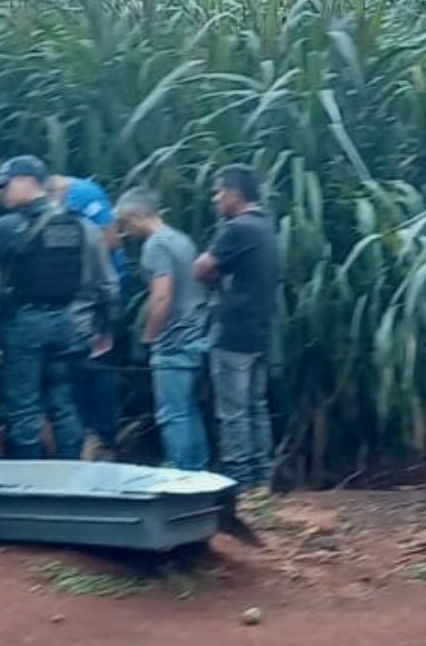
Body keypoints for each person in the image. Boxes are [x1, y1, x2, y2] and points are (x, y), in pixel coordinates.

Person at [0, 156, 118, 460]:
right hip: (66, 324)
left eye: (5, 185)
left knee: (25, 406)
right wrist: (103, 328)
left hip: (24, 324)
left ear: (26, 182)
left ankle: (28, 482)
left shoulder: (5, 227)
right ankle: (69, 473)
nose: (1, 193)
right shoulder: (81, 226)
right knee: (64, 404)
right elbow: (106, 285)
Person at [193, 165, 279, 490]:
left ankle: (239, 484)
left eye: (218, 192)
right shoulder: (265, 226)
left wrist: (215, 280)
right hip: (258, 332)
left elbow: (200, 268)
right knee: (256, 407)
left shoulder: (237, 228)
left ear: (234, 194)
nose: (215, 199)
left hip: (233, 334)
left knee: (233, 412)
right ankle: (262, 481)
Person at [116, 187, 210, 471]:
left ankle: (182, 474)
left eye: (125, 223)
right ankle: (197, 471)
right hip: (197, 333)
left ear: (135, 216)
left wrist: (148, 337)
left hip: (174, 340)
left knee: (173, 414)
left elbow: (162, 296)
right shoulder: (181, 240)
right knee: (188, 410)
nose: (124, 231)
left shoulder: (155, 246)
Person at [48, 174, 125, 459]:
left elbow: (112, 241)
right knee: (85, 378)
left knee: (85, 379)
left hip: (83, 316)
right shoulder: (76, 217)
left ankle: (95, 441)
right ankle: (93, 441)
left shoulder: (82, 196)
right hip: (88, 314)